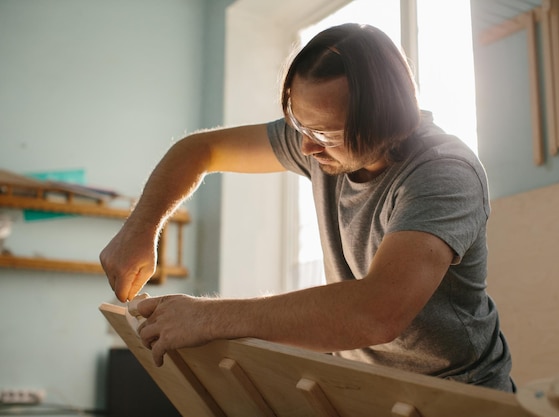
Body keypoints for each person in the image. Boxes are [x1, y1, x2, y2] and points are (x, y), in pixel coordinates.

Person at [100, 23, 515, 392]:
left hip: (459, 393)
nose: (305, 146)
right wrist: (140, 229)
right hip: (368, 387)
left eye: (323, 132)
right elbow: (200, 150)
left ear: (389, 122)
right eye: (299, 124)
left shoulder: (444, 173)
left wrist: (209, 318)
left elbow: (376, 312)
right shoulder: (323, 144)